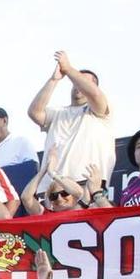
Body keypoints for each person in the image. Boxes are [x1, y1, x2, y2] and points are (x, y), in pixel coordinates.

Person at [27, 50, 114, 184]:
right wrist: (54, 80)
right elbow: (34, 112)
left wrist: (68, 69)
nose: (78, 84)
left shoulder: (100, 110)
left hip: (86, 183)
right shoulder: (57, 112)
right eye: (75, 81)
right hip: (52, 188)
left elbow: (95, 95)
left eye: (83, 81)